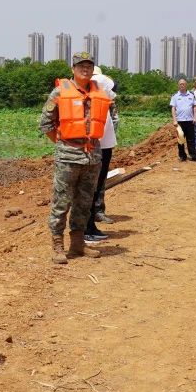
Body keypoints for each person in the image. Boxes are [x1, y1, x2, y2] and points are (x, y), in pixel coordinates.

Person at [40, 52, 111, 263]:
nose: (85, 69)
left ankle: (78, 243)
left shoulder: (98, 91)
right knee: (62, 202)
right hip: (68, 157)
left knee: (84, 203)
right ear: (73, 69)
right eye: (81, 66)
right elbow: (45, 123)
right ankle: (57, 246)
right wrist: (64, 144)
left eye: (89, 66)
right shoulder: (60, 91)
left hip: (92, 158)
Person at [84, 69, 120, 242]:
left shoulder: (94, 93)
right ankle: (87, 228)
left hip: (99, 145)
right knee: (92, 187)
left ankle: (89, 226)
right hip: (100, 146)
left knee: (93, 187)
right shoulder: (99, 83)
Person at [170, 78, 196, 161]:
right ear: (178, 85)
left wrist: (195, 117)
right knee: (181, 139)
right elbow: (173, 108)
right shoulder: (175, 96)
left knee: (191, 139)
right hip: (180, 121)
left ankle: (193, 155)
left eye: (183, 84)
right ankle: (182, 156)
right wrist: (174, 120)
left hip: (190, 120)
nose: (182, 85)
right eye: (180, 84)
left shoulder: (191, 95)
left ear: (186, 85)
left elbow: (195, 107)